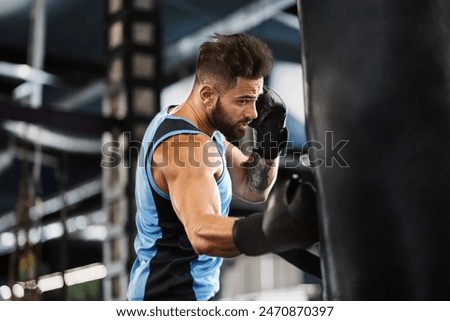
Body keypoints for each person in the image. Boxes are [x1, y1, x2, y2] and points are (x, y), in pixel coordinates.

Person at [127, 33, 316, 301]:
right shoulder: (186, 148)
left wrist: (269, 142)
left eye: (255, 99)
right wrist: (270, 230)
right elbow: (202, 234)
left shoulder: (204, 134)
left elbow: (253, 188)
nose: (252, 113)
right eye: (242, 101)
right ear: (207, 94)